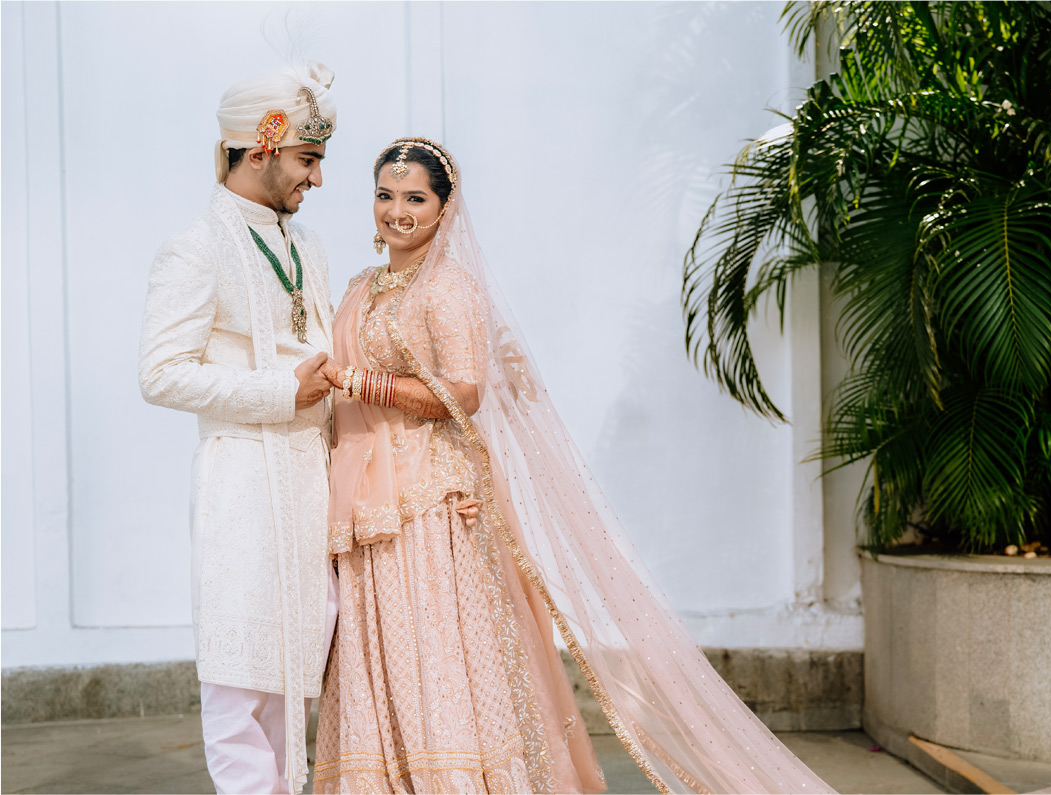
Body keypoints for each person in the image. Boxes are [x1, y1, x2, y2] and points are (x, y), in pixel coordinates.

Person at [313, 138, 836, 794]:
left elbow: (465, 392)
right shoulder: (360, 287)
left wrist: (359, 382)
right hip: (365, 504)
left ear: (444, 209)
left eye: (415, 197)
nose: (397, 211)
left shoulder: (447, 287)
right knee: (381, 651)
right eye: (385, 195)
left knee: (435, 653)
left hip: (429, 501)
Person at [138, 62, 341, 795]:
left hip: (312, 482)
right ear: (262, 147)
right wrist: (282, 391)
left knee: (294, 683)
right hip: (244, 484)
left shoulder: (304, 244)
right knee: (239, 686)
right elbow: (161, 373)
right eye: (308, 159)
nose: (317, 178)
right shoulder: (197, 246)